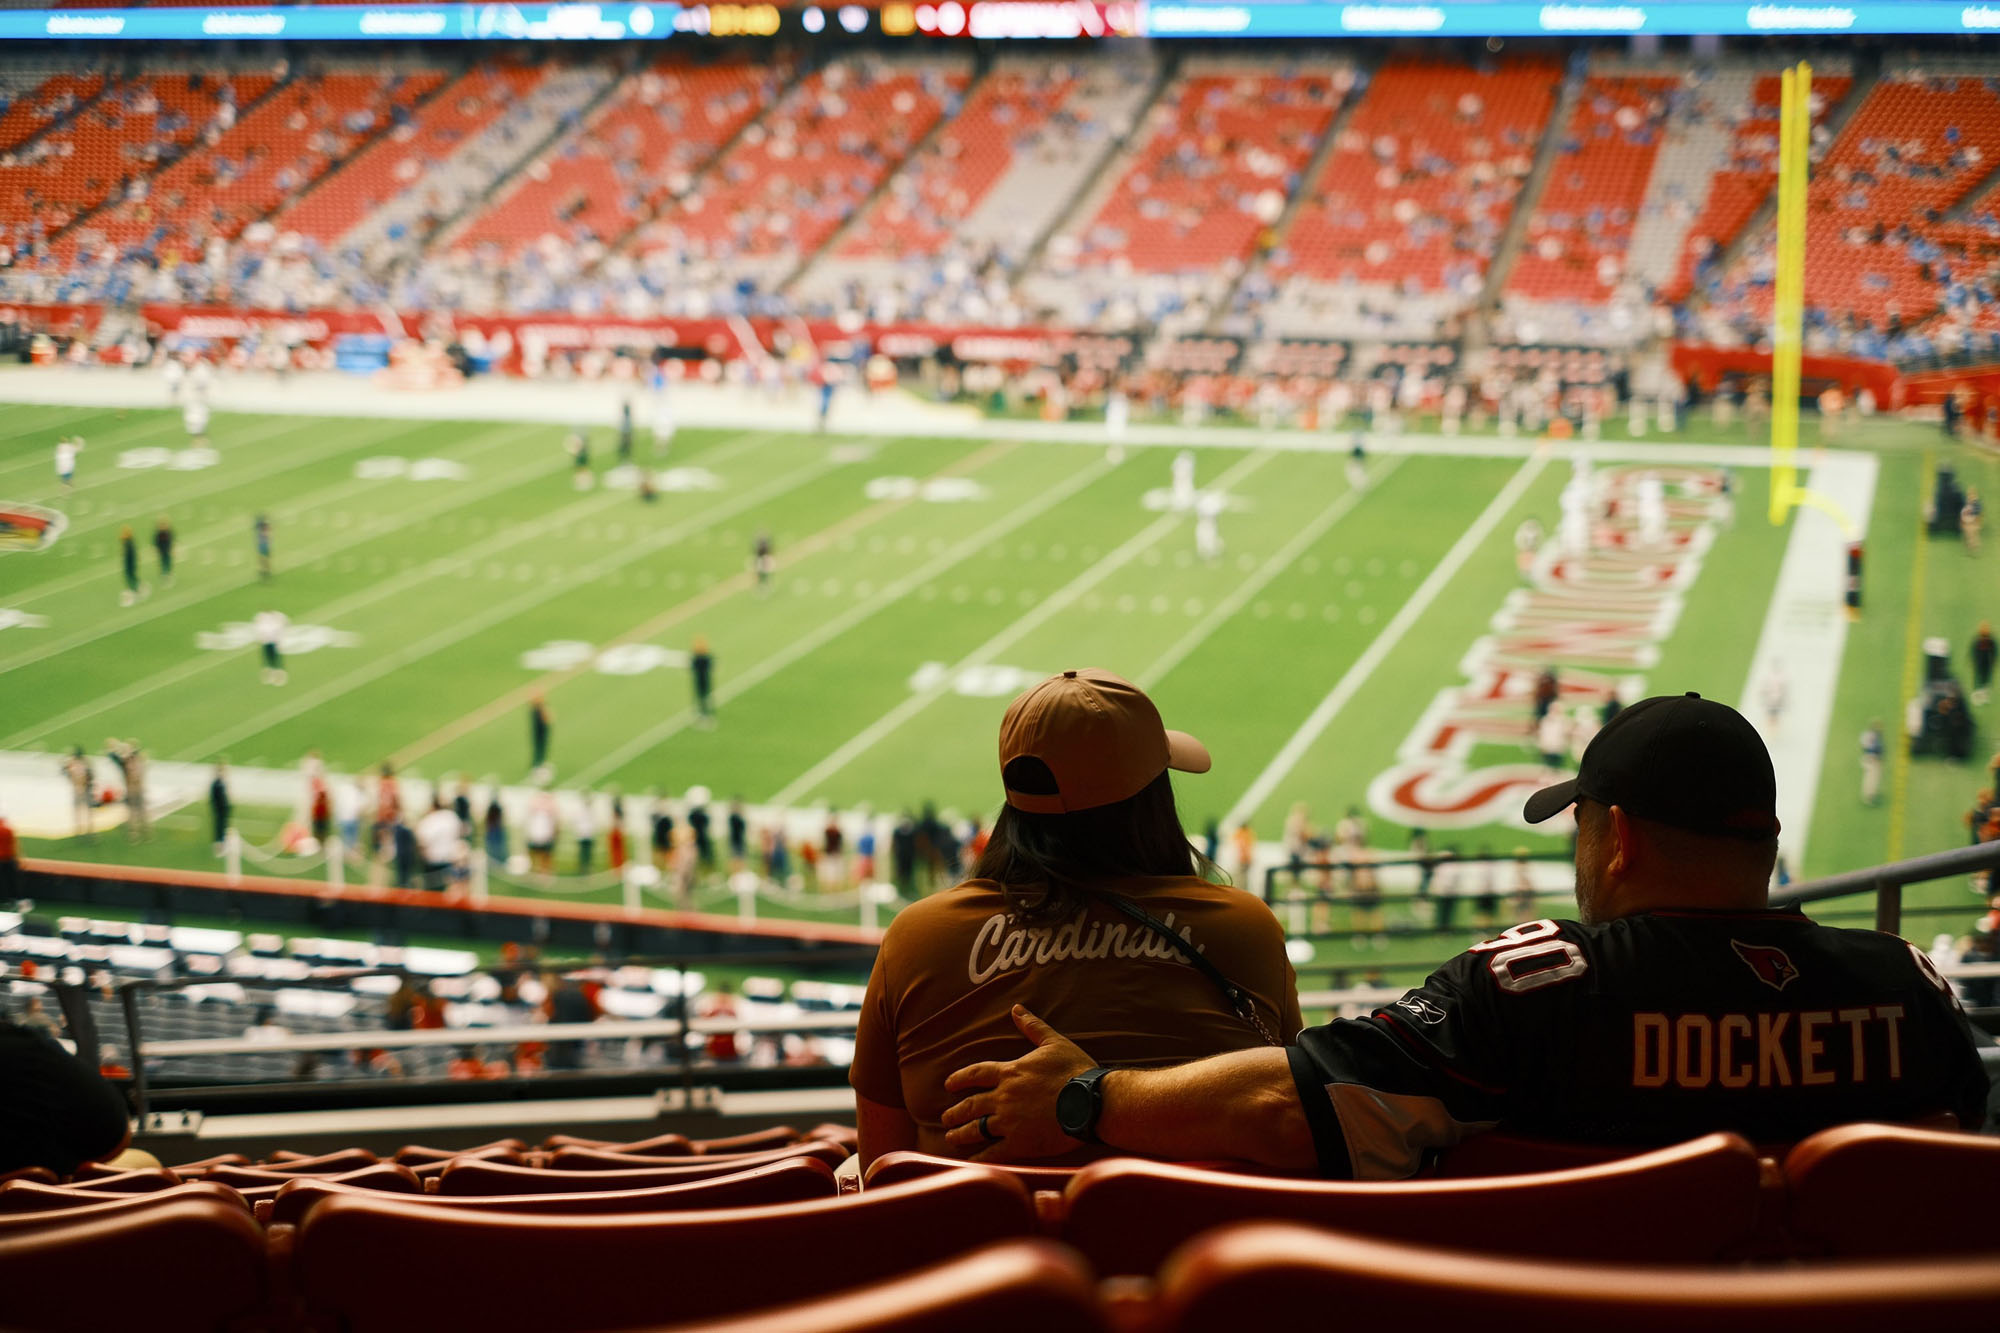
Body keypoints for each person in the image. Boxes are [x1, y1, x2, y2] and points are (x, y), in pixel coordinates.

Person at [937, 694, 1990, 1178]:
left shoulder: (1534, 988)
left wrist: (1086, 1096)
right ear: (1762, 835)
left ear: (1614, 835)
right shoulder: (1906, 986)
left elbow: (1284, 1109)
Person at [852, 668, 1302, 1169]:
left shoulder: (917, 936)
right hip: (1193, 1242)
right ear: (1154, 803)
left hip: (978, 1245)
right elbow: (1293, 1110)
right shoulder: (1244, 927)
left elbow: (881, 1167)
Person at [0, 1018, 133, 1177]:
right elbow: (115, 1133)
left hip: (33, 1189)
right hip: (65, 1191)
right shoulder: (27, 1049)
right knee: (149, 1171)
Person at [416, 797, 462, 890]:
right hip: (449, 859)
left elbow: (422, 842)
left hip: (432, 861)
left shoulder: (429, 820)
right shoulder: (452, 817)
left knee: (431, 892)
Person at [63, 747, 93, 841]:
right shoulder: (82, 763)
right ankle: (83, 830)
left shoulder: (78, 764)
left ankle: (84, 830)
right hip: (82, 789)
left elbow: (85, 776)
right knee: (83, 811)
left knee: (83, 811)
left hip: (81, 789)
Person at [255, 608, 288, 685]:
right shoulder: (264, 620)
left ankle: (279, 674)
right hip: (267, 642)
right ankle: (272, 674)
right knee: (268, 659)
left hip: (273, 642)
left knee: (275, 659)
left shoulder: (274, 620)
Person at [1193, 490, 1224, 563]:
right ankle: (1207, 552)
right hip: (1206, 524)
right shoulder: (1207, 505)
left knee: (1209, 539)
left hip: (1209, 525)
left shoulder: (1207, 505)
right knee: (1205, 538)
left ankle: (1209, 552)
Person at [691, 637, 715, 727]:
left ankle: (704, 714)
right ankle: (704, 714)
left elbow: (693, 667)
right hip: (703, 680)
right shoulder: (705, 658)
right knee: (704, 698)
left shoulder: (698, 658)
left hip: (701, 680)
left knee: (703, 698)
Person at [1860, 721, 1885, 806]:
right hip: (1871, 760)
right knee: (1870, 779)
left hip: (1874, 760)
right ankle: (1869, 797)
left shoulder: (1874, 736)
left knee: (1875, 778)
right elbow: (1869, 748)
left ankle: (1872, 794)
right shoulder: (1871, 736)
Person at [117, 525, 143, 607]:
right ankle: (136, 590)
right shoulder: (128, 543)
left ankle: (136, 590)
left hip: (130, 563)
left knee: (130, 577)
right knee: (130, 577)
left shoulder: (129, 544)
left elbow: (131, 555)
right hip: (129, 563)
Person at [529, 693, 553, 777]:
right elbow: (547, 718)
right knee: (539, 748)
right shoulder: (537, 709)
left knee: (540, 748)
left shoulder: (536, 708)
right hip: (540, 732)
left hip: (540, 731)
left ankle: (539, 763)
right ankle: (537, 765)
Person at [209, 763, 231, 853]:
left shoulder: (221, 783)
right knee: (219, 825)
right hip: (219, 808)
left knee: (223, 825)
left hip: (223, 808)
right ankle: (219, 843)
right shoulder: (216, 784)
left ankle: (222, 842)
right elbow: (214, 797)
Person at [1973, 622, 1997, 707]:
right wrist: (1974, 660)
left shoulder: (1991, 641)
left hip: (1987, 662)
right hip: (1979, 662)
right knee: (1978, 678)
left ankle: (1985, 696)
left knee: (1986, 679)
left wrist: (1994, 661)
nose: (1984, 637)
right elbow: (1973, 651)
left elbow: (1994, 652)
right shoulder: (1977, 641)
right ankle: (1976, 695)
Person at [0, 807, 17, 900]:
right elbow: (13, 845)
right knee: (11, 881)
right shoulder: (8, 830)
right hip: (8, 858)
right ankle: (13, 898)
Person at [152, 515, 174, 587]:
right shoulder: (159, 533)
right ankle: (164, 573)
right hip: (162, 550)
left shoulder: (167, 532)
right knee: (163, 562)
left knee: (167, 562)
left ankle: (168, 573)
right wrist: (156, 549)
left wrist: (171, 547)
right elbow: (156, 541)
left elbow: (171, 539)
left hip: (167, 550)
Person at [752, 531, 774, 597]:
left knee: (765, 572)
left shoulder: (764, 545)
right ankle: (762, 584)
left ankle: (766, 584)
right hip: (761, 559)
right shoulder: (761, 545)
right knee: (760, 573)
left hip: (764, 559)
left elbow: (767, 551)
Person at [253, 513, 272, 582]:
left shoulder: (262, 529)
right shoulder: (263, 529)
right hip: (263, 545)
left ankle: (265, 570)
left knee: (264, 558)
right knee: (263, 558)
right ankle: (265, 570)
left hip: (263, 545)